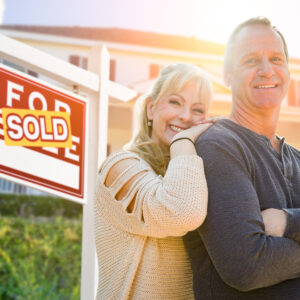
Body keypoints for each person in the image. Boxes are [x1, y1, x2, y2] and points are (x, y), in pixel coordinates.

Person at [184, 17, 300, 299]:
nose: (266, 70)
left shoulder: (297, 159)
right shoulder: (218, 147)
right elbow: (247, 265)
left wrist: (288, 222)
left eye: (276, 59)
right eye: (250, 61)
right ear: (226, 75)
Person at [94, 63, 214, 299]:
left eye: (198, 110)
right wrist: (183, 142)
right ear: (151, 108)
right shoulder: (119, 167)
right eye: (175, 102)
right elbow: (181, 213)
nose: (186, 116)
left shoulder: (198, 176)